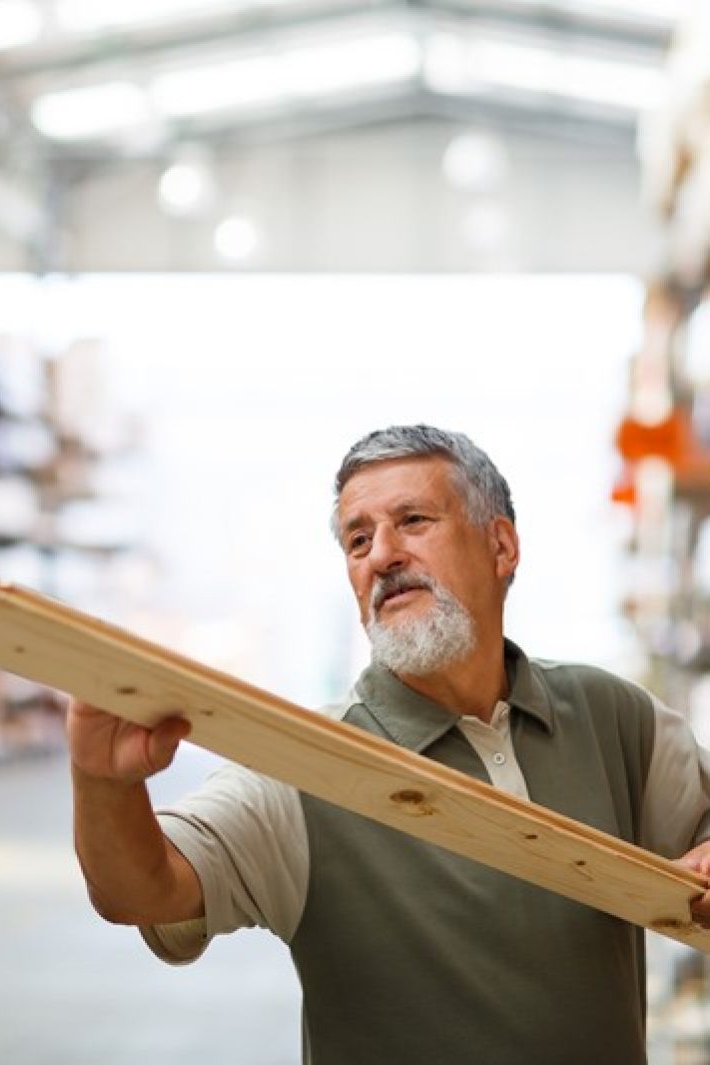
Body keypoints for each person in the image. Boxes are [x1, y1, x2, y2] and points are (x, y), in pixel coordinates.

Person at [68, 424, 710, 1065]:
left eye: (413, 521)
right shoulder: (309, 766)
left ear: (502, 546)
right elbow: (142, 891)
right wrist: (103, 782)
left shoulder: (611, 717)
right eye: (358, 539)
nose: (382, 555)